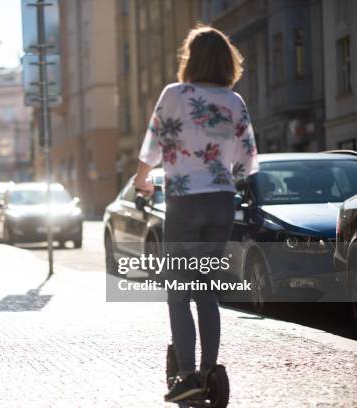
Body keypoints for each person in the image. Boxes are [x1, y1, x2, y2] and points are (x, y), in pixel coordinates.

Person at [133, 25, 259, 402]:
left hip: (185, 201)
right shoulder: (234, 101)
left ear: (191, 59)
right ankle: (209, 370)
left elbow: (154, 143)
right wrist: (222, 175)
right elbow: (248, 160)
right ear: (226, 61)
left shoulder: (175, 94)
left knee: (178, 292)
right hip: (221, 201)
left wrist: (144, 182)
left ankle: (186, 375)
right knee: (206, 291)